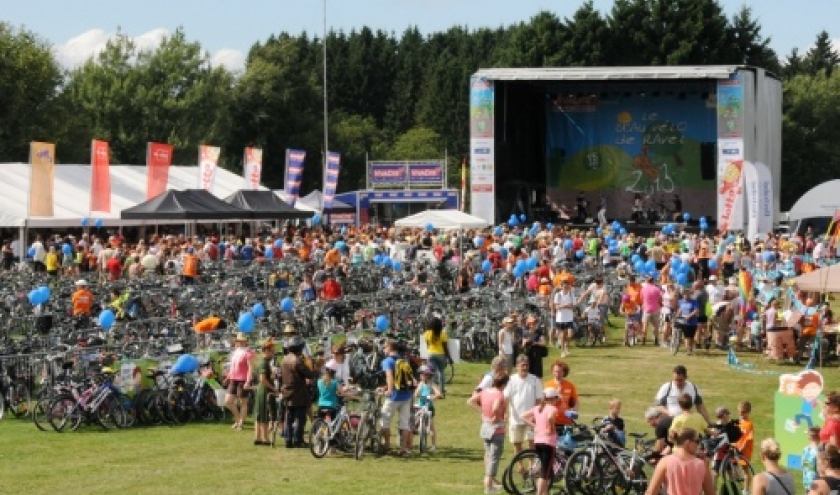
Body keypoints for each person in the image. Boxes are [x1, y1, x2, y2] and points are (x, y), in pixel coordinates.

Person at [467, 372, 509, 494]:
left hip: (485, 427)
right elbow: (496, 407)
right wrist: (495, 415)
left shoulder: (485, 392)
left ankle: (489, 483)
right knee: (494, 457)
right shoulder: (499, 395)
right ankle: (489, 485)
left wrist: (482, 412)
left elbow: (470, 401)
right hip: (496, 429)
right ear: (504, 384)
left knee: (488, 454)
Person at [644, 427, 715, 495]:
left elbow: (651, 492)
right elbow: (710, 493)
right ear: (687, 442)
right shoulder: (702, 464)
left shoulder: (665, 462)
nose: (698, 445)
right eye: (697, 441)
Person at [520, 387, 561, 495]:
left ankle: (545, 493)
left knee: (545, 469)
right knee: (545, 473)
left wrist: (535, 426)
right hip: (548, 442)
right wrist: (551, 427)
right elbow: (551, 417)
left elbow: (522, 416)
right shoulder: (552, 408)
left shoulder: (538, 408)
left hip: (538, 441)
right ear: (553, 399)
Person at [280, 335, 317, 448]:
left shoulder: (284, 359)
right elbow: (309, 374)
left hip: (287, 391)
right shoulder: (297, 361)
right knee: (300, 417)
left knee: (289, 417)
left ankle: (288, 440)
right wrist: (317, 369)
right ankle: (298, 440)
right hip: (298, 393)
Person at [378, 339, 414, 456]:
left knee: (385, 420)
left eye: (385, 347)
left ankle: (387, 445)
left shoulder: (387, 361)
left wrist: (388, 389)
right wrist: (386, 387)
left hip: (394, 396)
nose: (384, 349)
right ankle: (403, 449)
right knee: (404, 423)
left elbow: (389, 376)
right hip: (407, 394)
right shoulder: (403, 360)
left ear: (390, 348)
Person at [504, 355, 543, 461]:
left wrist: (536, 416)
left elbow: (539, 400)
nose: (524, 368)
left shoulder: (535, 380)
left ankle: (531, 465)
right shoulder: (511, 380)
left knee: (531, 443)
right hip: (515, 419)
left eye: (526, 365)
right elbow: (506, 398)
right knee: (517, 444)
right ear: (517, 366)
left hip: (530, 419)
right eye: (522, 365)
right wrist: (505, 412)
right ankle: (519, 465)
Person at [225, 332, 254, 431]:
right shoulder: (235, 351)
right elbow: (232, 366)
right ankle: (238, 419)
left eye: (243, 341)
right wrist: (228, 376)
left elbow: (250, 368)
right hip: (233, 378)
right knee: (228, 401)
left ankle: (240, 423)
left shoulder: (248, 353)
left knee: (243, 402)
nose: (241, 343)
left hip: (243, 379)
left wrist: (248, 381)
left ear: (246, 342)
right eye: (239, 341)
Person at [253, 339, 278, 446]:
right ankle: (265, 438)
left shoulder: (261, 361)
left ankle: (257, 437)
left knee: (258, 415)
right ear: (266, 351)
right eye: (272, 351)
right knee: (264, 415)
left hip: (260, 390)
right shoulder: (264, 363)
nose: (273, 354)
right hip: (264, 390)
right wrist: (273, 388)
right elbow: (263, 379)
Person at [414, 365, 442, 452]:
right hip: (420, 405)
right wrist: (417, 394)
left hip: (428, 407)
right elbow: (416, 394)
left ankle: (433, 445)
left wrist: (433, 397)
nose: (422, 376)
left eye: (425, 375)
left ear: (429, 376)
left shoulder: (431, 384)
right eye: (421, 375)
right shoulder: (421, 384)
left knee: (431, 427)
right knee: (414, 420)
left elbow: (439, 393)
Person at [543, 360, 578, 428]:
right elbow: (544, 402)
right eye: (555, 371)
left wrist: (574, 410)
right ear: (552, 372)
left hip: (566, 421)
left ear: (564, 372)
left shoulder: (570, 385)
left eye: (560, 372)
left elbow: (576, 401)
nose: (557, 374)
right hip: (552, 420)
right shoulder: (547, 385)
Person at [424, 316, 452, 397]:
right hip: (441, 355)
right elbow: (445, 348)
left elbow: (427, 345)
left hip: (431, 354)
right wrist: (449, 358)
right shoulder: (443, 334)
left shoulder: (427, 333)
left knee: (431, 373)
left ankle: (431, 390)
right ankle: (441, 390)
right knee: (441, 372)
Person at [551, 279, 577, 358]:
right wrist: (566, 305)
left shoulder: (571, 294)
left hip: (569, 317)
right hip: (561, 318)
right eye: (564, 286)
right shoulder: (558, 295)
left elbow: (573, 306)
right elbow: (557, 307)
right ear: (561, 286)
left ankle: (566, 345)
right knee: (562, 335)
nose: (565, 287)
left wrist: (564, 306)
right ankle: (562, 351)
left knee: (570, 334)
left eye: (567, 285)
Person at [675, 289, 701, 355]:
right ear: (683, 295)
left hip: (692, 322)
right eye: (685, 294)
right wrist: (677, 315)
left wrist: (689, 316)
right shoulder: (681, 301)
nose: (686, 296)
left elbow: (696, 310)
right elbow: (680, 309)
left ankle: (690, 348)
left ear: (690, 295)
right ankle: (688, 350)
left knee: (691, 337)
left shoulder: (694, 302)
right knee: (687, 336)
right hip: (684, 321)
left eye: (687, 294)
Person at [640, 275, 663, 345]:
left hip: (646, 309)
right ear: (653, 281)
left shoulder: (643, 289)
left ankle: (643, 340)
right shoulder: (656, 289)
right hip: (655, 309)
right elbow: (660, 299)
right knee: (656, 326)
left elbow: (641, 298)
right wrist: (660, 304)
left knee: (645, 326)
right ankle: (656, 340)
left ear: (647, 281)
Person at [803, 427, 821, 492]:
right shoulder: (819, 450)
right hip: (817, 482)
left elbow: (802, 465)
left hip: (806, 481)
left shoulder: (805, 449)